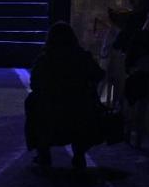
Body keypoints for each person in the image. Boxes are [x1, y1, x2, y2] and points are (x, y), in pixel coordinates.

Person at [25, 22, 104, 172]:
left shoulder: (45, 59)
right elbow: (99, 74)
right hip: (79, 106)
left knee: (32, 102)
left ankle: (43, 151)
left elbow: (35, 83)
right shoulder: (82, 57)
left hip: (51, 107)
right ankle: (79, 153)